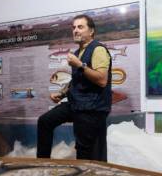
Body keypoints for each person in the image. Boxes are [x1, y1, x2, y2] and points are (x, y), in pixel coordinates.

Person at [37, 15, 111, 161]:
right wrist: (62, 93)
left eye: (80, 27)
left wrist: (79, 65)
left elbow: (102, 80)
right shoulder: (77, 53)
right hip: (76, 104)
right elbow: (77, 80)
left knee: (84, 152)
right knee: (45, 121)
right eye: (74, 27)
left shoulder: (98, 50)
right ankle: (43, 164)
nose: (75, 30)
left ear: (91, 31)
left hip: (91, 108)